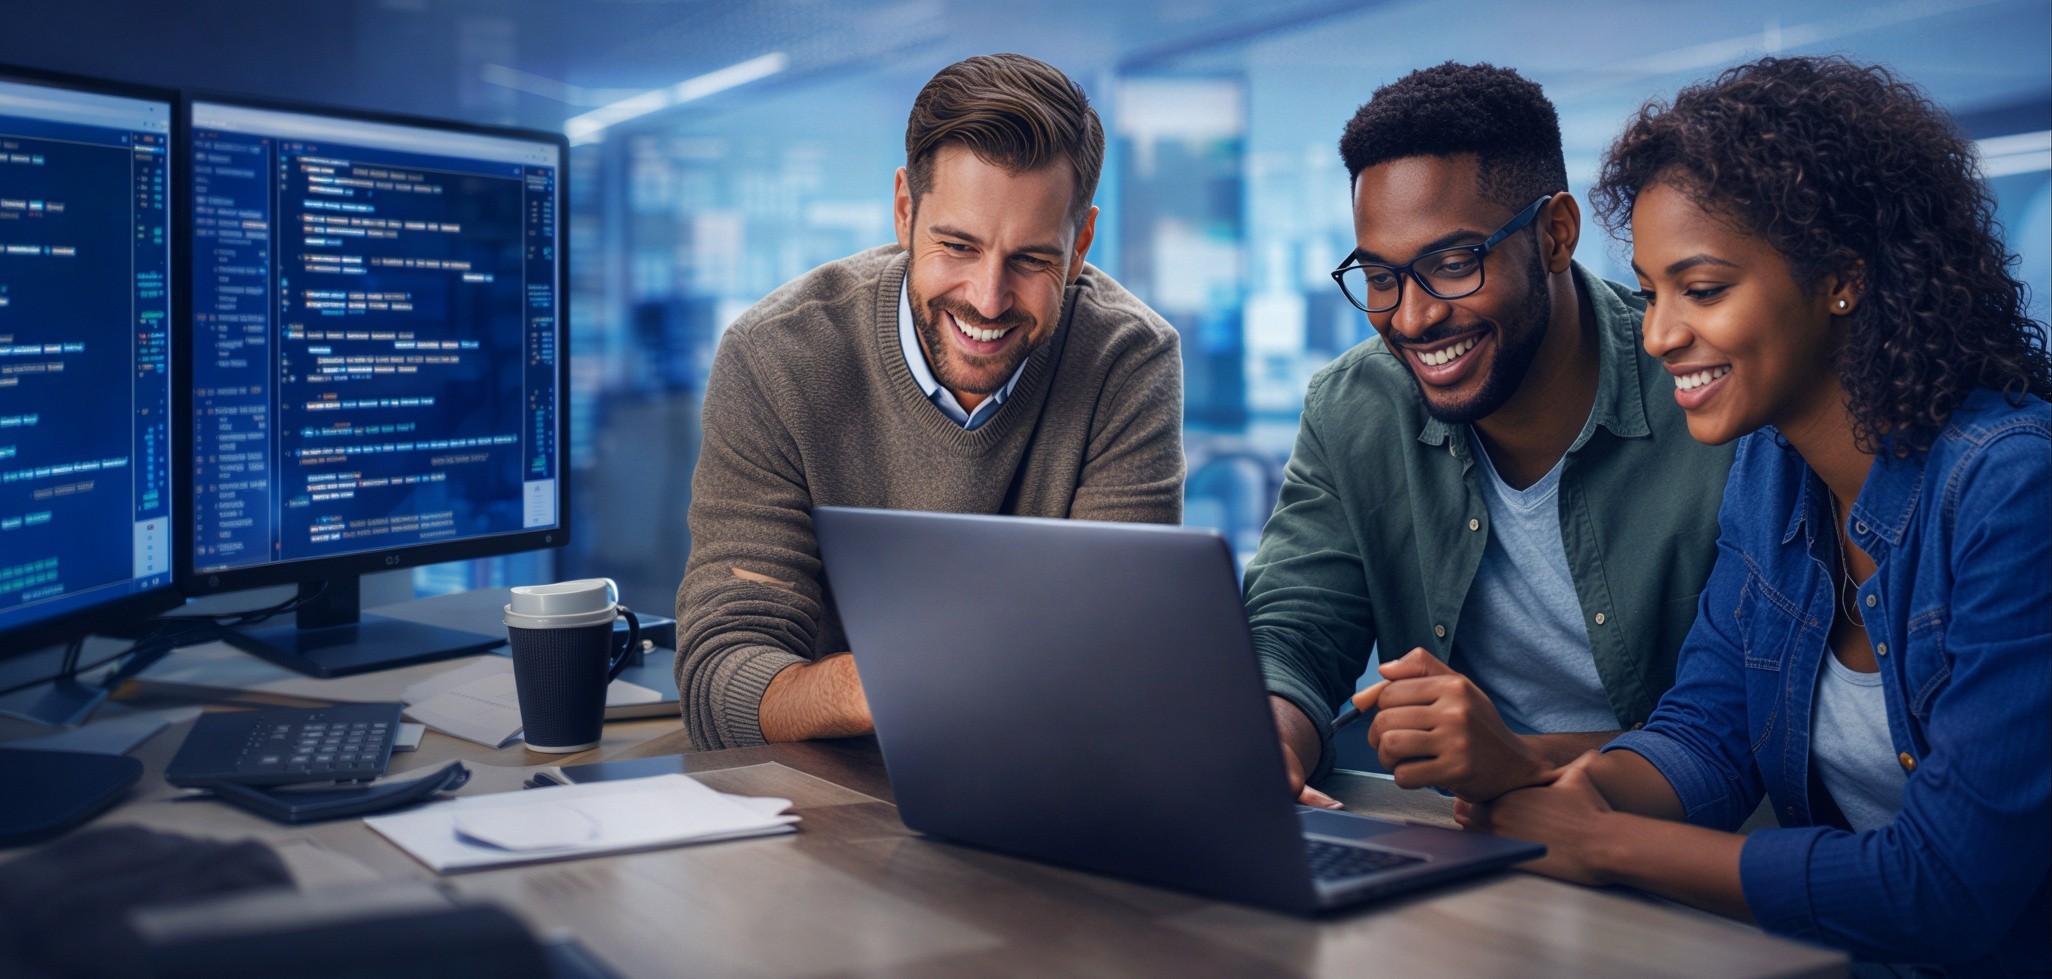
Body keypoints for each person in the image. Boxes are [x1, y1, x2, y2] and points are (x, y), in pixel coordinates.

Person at [1459, 57, 2051, 975]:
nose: (1657, 335)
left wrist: (1605, 842)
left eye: (1701, 290)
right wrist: (1573, 788)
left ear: (1840, 280)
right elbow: (1708, 733)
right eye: (1651, 293)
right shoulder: (1771, 469)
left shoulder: (2012, 491)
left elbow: (1947, 887)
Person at [1246, 63, 1734, 806]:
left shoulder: (1706, 399)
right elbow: (1295, 629)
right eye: (1381, 277)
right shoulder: (1355, 407)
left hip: (1683, 849)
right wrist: (1267, 743)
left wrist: (1519, 755)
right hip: (1465, 838)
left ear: (1555, 235)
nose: (1411, 318)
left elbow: (1744, 723)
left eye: (1452, 263)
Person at [675, 54, 1184, 749]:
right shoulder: (777, 357)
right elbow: (718, 678)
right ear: (905, 211)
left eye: (1032, 259)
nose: (987, 297)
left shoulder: (1127, 359)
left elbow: (1119, 665)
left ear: (1080, 244)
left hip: (1042, 788)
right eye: (958, 245)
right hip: (827, 795)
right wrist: (888, 677)